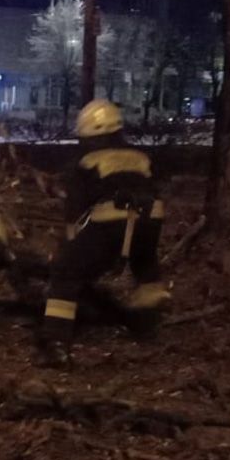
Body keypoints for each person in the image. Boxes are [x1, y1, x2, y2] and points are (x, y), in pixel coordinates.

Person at [39, 99, 171, 367]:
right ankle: (147, 326)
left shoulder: (86, 162)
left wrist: (70, 246)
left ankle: (56, 343)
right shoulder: (140, 157)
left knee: (66, 272)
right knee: (145, 266)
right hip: (151, 219)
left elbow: (75, 210)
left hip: (112, 219)